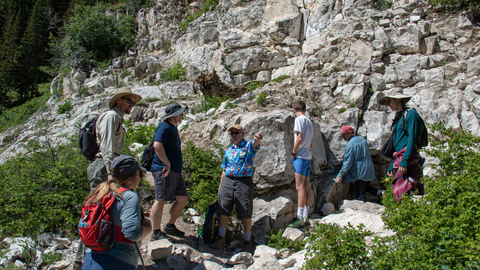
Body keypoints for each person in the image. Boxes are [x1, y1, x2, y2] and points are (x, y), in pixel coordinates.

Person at [75, 87, 142, 269]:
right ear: (119, 100)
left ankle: (91, 252)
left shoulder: (116, 118)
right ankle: (82, 257)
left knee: (99, 209)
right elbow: (106, 146)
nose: (132, 105)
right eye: (129, 101)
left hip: (106, 165)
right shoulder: (112, 117)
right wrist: (111, 172)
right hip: (104, 166)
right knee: (94, 211)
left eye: (133, 103)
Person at [82, 155, 152, 270]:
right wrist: (148, 228)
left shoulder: (99, 193)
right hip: (117, 261)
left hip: (90, 259)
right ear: (131, 179)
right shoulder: (128, 196)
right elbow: (132, 233)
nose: (140, 178)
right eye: (139, 174)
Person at [210, 124, 262, 253]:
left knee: (245, 211)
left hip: (243, 182)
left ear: (242, 133)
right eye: (232, 133)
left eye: (236, 132)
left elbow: (255, 144)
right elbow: (224, 168)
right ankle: (221, 239)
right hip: (228, 180)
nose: (234, 135)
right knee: (223, 209)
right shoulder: (228, 150)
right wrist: (221, 187)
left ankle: (247, 241)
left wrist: (257, 138)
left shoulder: (248, 146)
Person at [150, 103, 189, 240]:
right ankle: (155, 232)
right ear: (174, 114)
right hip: (164, 169)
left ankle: (170, 226)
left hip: (174, 171)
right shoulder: (164, 127)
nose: (182, 115)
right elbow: (157, 145)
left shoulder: (172, 128)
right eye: (180, 113)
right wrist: (166, 163)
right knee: (160, 200)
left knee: (182, 198)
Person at [379, 88, 425, 201]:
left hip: (407, 159)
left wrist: (404, 160)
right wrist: (392, 164)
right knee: (401, 194)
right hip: (399, 159)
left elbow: (412, 139)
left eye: (389, 101)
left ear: (398, 100)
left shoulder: (411, 114)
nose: (387, 105)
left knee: (409, 191)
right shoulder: (399, 117)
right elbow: (396, 141)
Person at [335, 125, 384, 202]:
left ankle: (362, 210)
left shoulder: (350, 145)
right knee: (365, 187)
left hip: (360, 172)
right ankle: (380, 193)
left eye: (344, 134)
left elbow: (347, 163)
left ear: (350, 133)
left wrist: (340, 175)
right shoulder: (362, 140)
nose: (342, 136)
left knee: (360, 195)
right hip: (369, 170)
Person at [286, 101, 314, 228]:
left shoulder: (298, 120)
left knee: (299, 187)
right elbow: (311, 143)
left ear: (294, 110)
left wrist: (293, 153)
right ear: (305, 109)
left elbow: (299, 138)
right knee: (306, 186)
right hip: (308, 156)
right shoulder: (310, 122)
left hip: (300, 157)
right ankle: (306, 215)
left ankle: (299, 217)